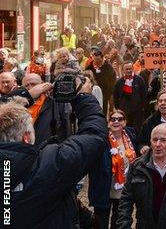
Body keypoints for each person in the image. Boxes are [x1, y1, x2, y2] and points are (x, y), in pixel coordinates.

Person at [0, 78, 110, 227]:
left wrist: (24, 95)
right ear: (26, 137)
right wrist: (84, 97)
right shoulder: (50, 165)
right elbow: (94, 135)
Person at [100, 109, 138, 229]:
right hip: (105, 188)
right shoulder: (101, 140)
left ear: (125, 123)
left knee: (118, 220)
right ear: (108, 123)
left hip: (123, 190)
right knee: (101, 221)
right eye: (113, 119)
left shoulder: (131, 137)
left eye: (120, 119)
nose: (116, 122)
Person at [22, 73, 72, 144]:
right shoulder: (20, 106)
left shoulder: (55, 101)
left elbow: (66, 120)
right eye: (26, 86)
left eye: (33, 84)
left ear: (42, 84)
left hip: (50, 148)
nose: (30, 88)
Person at [113, 61, 147, 130]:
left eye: (130, 69)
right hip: (124, 112)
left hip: (137, 113)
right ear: (123, 70)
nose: (129, 71)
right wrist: (119, 109)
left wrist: (141, 107)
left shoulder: (139, 80)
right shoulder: (119, 82)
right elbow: (115, 97)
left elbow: (144, 95)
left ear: (133, 68)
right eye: (127, 69)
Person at [86, 48, 116, 115]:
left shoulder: (108, 68)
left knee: (103, 112)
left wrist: (109, 95)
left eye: (98, 59)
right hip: (92, 95)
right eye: (95, 59)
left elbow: (112, 82)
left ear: (102, 58)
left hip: (105, 95)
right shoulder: (89, 68)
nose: (96, 61)